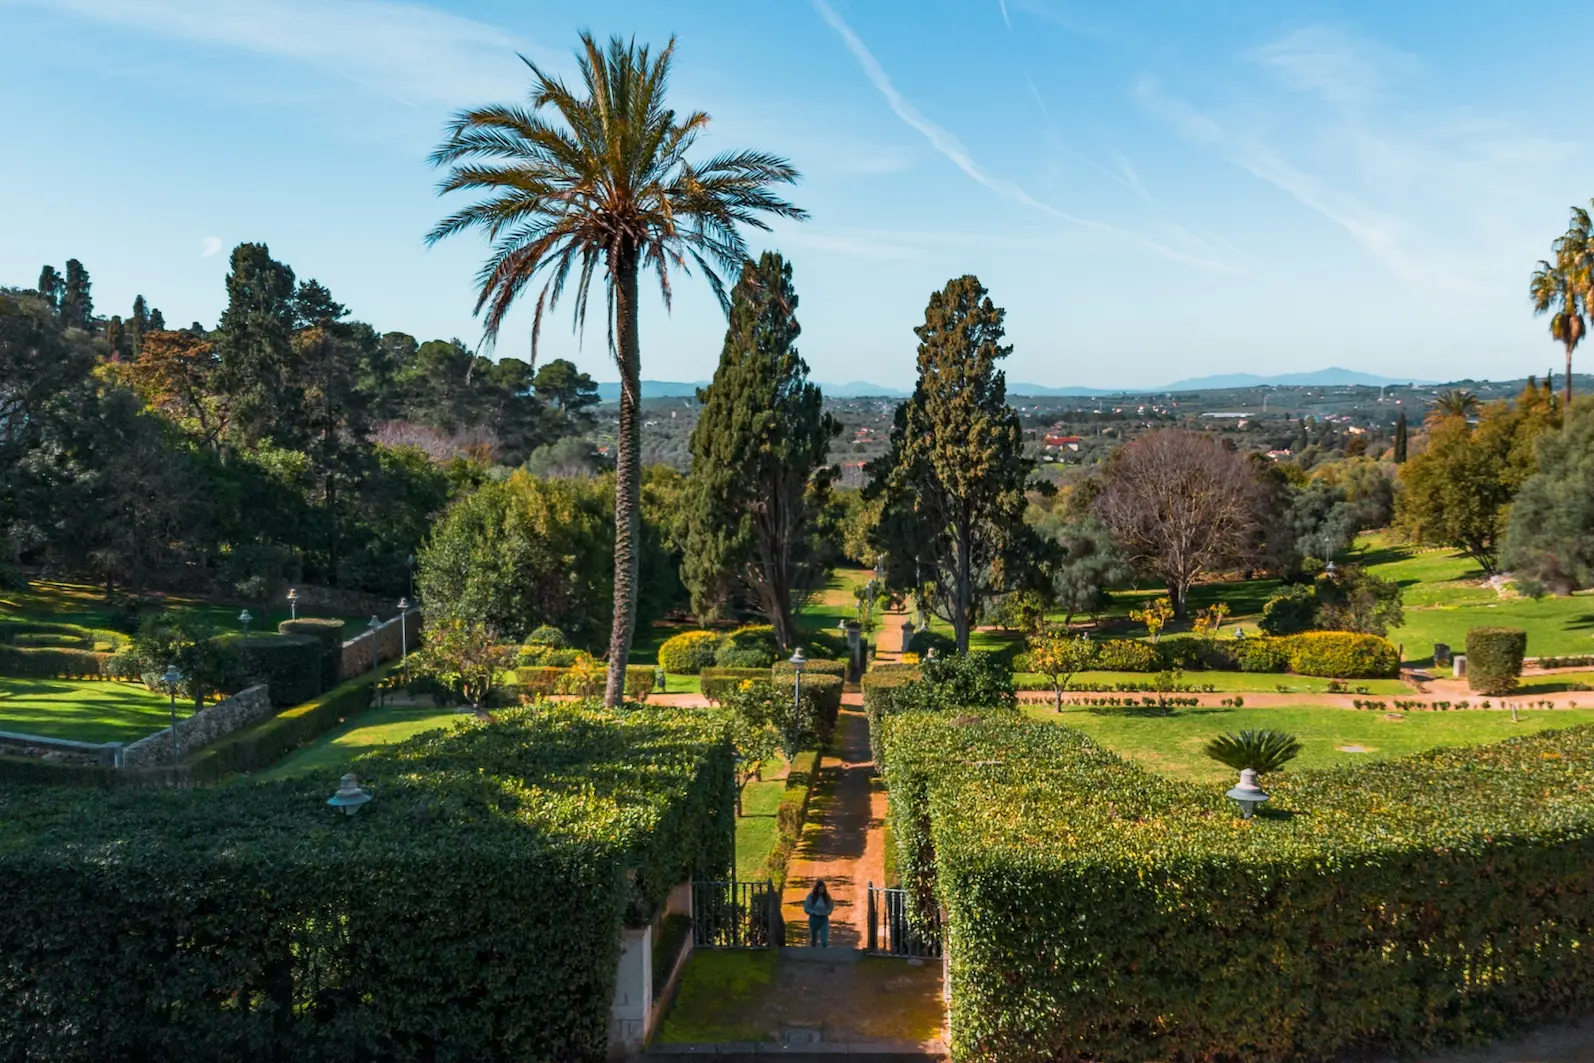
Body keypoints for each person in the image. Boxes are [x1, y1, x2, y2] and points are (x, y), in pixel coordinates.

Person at [802, 880, 834, 948]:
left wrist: (827, 912)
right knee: (814, 938)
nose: (821, 891)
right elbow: (806, 908)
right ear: (817, 889)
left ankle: (825, 954)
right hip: (814, 919)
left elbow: (831, 906)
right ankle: (814, 954)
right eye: (820, 889)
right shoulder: (811, 896)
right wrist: (814, 912)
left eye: (823, 889)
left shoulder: (827, 897)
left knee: (824, 940)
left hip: (824, 919)